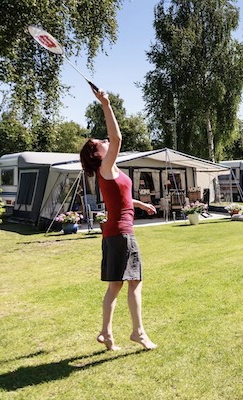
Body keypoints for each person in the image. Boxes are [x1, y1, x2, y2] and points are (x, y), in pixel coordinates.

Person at [80, 88, 157, 351]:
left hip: (113, 233)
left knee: (115, 286)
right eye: (99, 142)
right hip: (122, 234)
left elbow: (121, 199)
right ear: (96, 153)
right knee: (134, 283)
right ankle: (138, 332)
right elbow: (117, 136)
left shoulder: (109, 171)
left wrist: (141, 204)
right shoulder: (105, 166)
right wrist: (105, 104)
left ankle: (106, 333)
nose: (105, 140)